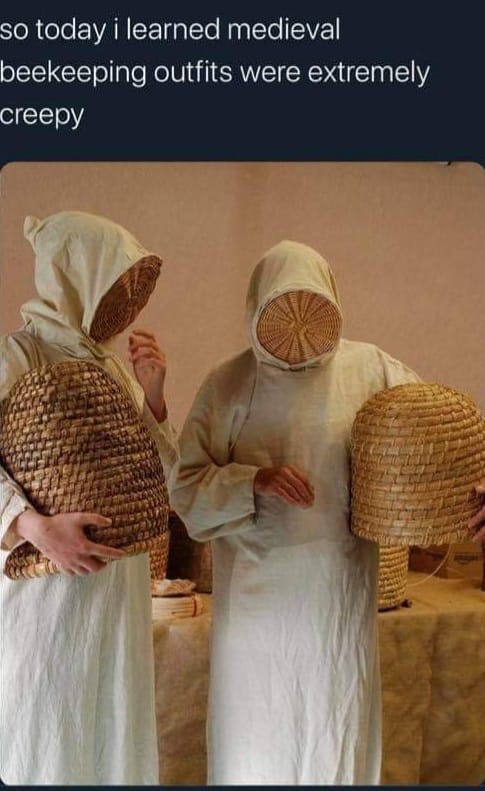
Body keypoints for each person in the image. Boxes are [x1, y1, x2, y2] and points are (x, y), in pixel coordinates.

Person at [172, 239, 423, 785]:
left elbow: (430, 429)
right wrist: (253, 481)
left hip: (338, 594)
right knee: (257, 738)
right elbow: (185, 488)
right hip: (257, 608)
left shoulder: (371, 369)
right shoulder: (228, 382)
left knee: (334, 727)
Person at [0, 211, 179, 785]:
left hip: (117, 589)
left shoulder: (113, 371)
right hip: (46, 591)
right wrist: (33, 528)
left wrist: (154, 397)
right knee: (44, 725)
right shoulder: (18, 357)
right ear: (71, 276)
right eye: (105, 280)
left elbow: (159, 477)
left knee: (112, 724)